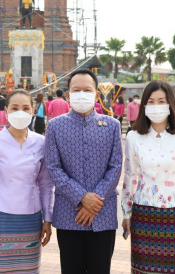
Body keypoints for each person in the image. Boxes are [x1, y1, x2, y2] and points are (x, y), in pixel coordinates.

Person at [45, 69, 123, 274]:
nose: (81, 94)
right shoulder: (54, 126)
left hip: (103, 214)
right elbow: (53, 167)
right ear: (68, 95)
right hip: (69, 215)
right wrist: (81, 198)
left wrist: (93, 202)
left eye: (87, 90)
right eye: (76, 90)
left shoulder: (112, 126)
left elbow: (115, 167)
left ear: (97, 94)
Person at [122, 80, 175, 274]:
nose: (156, 106)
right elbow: (131, 176)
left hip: (173, 215)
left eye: (161, 101)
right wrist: (126, 213)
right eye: (151, 101)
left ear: (170, 103)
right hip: (142, 215)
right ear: (144, 105)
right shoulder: (134, 137)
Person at [0, 89, 54, 273]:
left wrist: (47, 219)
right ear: (6, 111)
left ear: (32, 111)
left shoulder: (41, 142)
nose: (20, 112)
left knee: (28, 269)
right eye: (14, 108)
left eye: (25, 107)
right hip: (1, 218)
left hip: (31, 219)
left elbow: (45, 185)